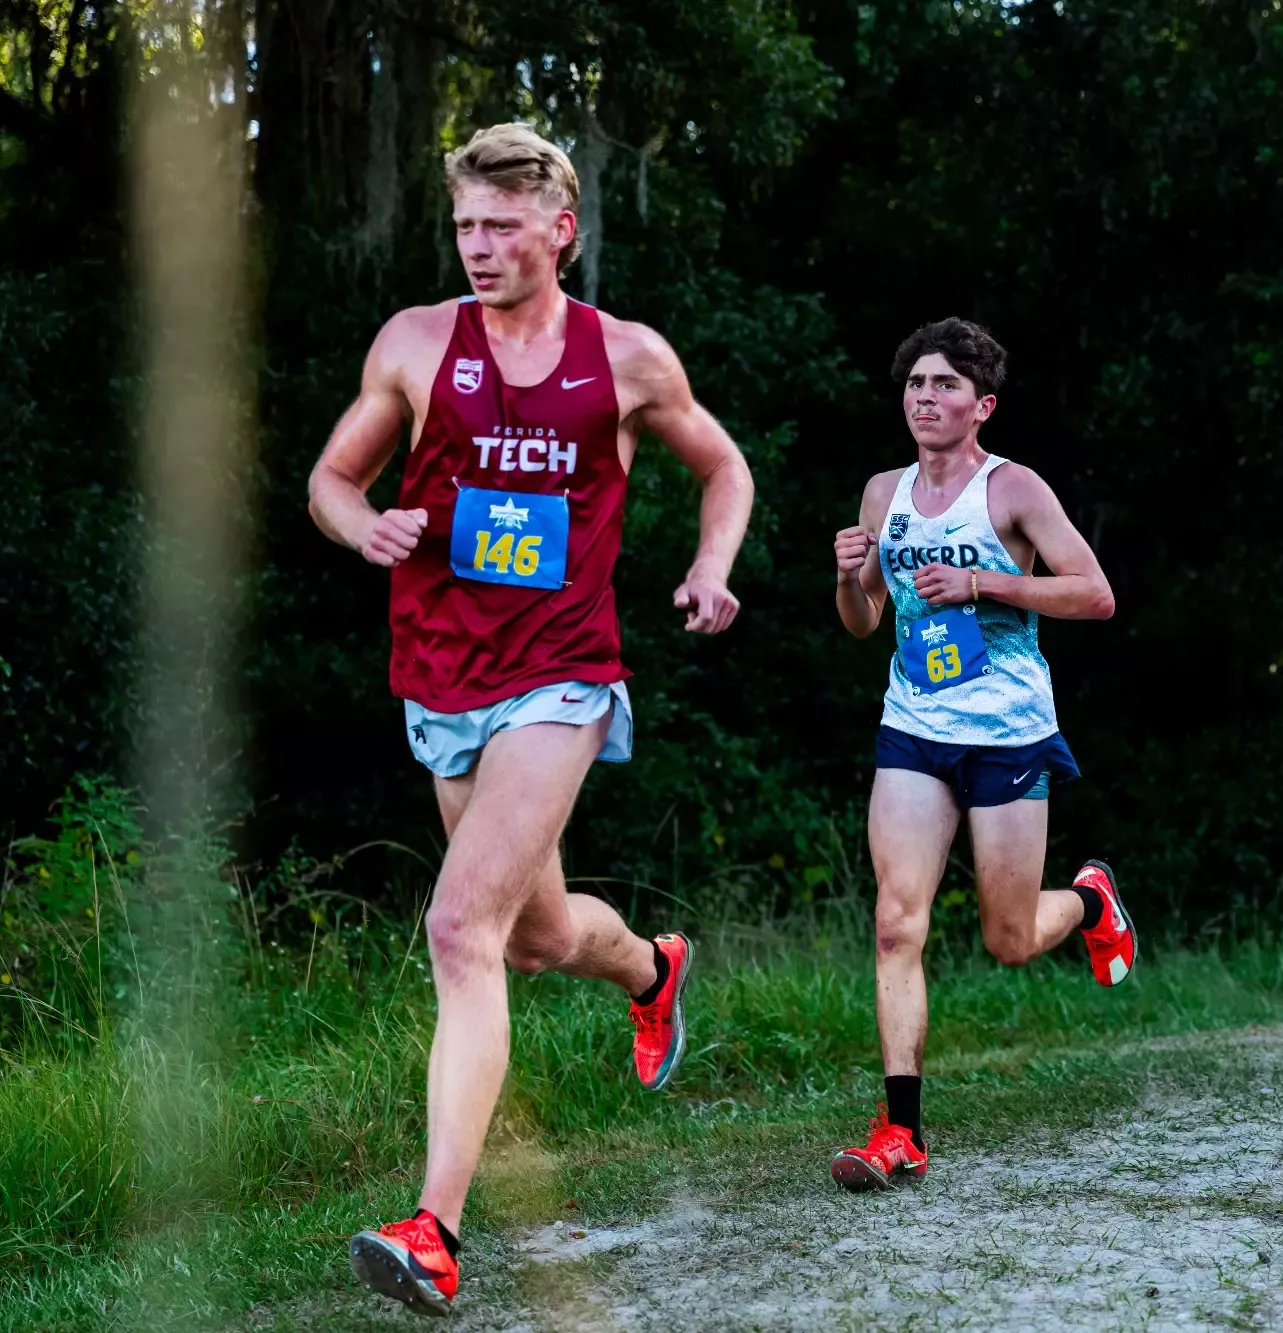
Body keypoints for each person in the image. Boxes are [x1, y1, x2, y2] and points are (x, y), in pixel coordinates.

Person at [307, 123, 753, 1315]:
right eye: (463, 225)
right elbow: (331, 480)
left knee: (459, 926)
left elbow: (724, 467)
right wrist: (368, 530)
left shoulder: (627, 358)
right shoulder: (412, 343)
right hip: (440, 674)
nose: (479, 247)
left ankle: (433, 1230)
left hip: (561, 671)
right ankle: (652, 968)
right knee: (535, 936)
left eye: (502, 226)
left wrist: (712, 568)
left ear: (561, 230)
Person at [826, 317, 1134, 1191]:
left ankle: (1086, 898)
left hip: (1005, 732)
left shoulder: (1013, 490)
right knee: (896, 921)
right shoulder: (882, 494)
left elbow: (1095, 594)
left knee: (1006, 937)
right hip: (914, 725)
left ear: (981, 405)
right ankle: (901, 1131)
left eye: (945, 386)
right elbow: (864, 624)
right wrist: (852, 576)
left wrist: (985, 581)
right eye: (915, 384)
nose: (925, 398)